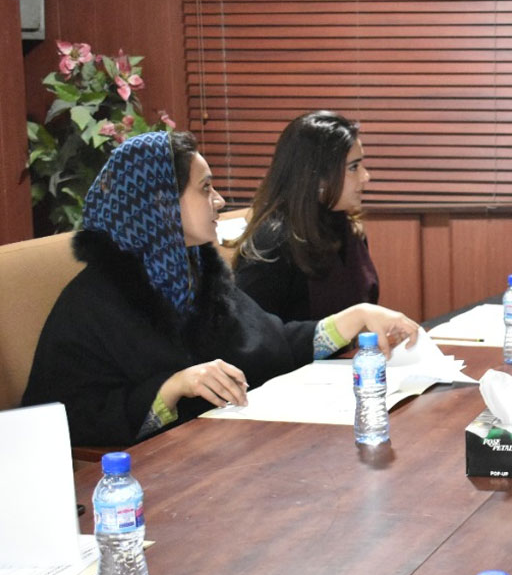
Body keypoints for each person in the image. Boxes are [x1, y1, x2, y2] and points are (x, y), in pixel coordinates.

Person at [22, 131, 420, 447]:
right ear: (160, 203)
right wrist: (170, 388)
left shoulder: (196, 273)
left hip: (217, 450)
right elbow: (67, 417)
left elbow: (270, 342)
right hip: (147, 478)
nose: (219, 200)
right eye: (205, 188)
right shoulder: (96, 300)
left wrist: (354, 319)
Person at [234, 111, 379, 321]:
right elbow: (250, 330)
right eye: (353, 167)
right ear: (317, 176)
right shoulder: (272, 243)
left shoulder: (348, 227)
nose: (366, 176)